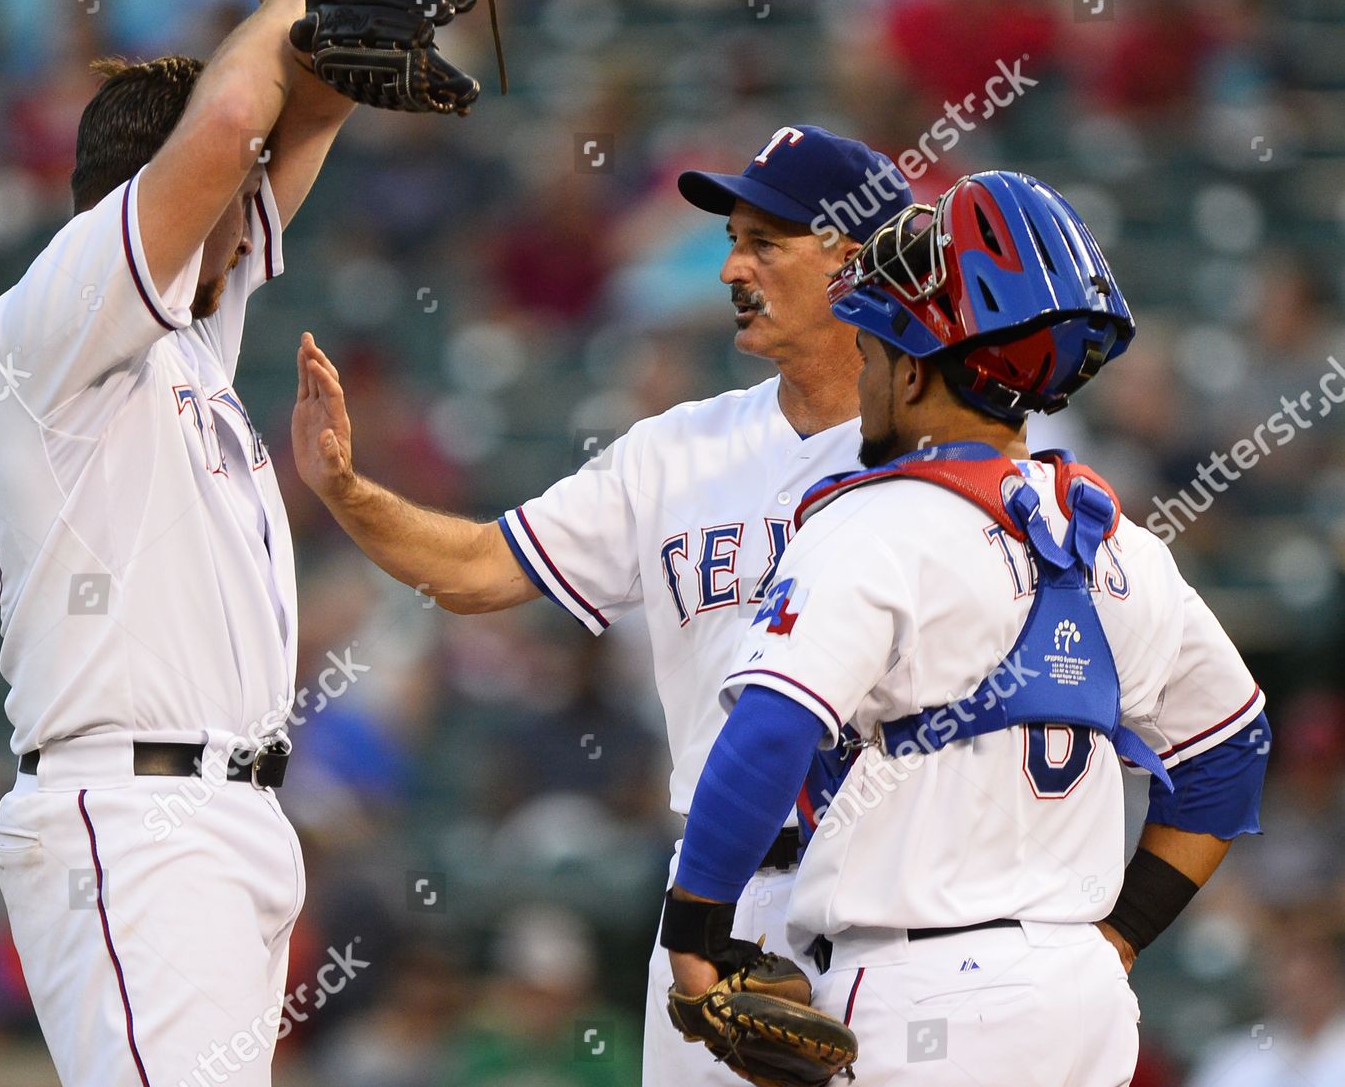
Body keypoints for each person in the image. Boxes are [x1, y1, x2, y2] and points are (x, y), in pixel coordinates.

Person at [291, 124, 913, 1082]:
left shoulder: (949, 460)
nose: (730, 269)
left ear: (856, 259)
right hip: (716, 897)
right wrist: (346, 489)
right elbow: (480, 569)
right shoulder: (677, 450)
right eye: (731, 240)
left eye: (764, 243)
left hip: (891, 891)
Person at [663, 172, 1269, 1085]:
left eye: (870, 352)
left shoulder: (876, 525)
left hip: (921, 992)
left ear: (911, 368)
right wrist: (1119, 936)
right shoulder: (1123, 548)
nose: (865, 376)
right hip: (1083, 1001)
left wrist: (695, 932)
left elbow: (772, 728)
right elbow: (1230, 755)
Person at [0, 0, 356, 1087]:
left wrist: (317, 2)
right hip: (133, 819)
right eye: (235, 195)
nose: (257, 221)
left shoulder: (180, 334)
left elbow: (293, 121)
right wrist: (274, 5)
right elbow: (236, 121)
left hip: (223, 821)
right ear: (172, 185)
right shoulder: (62, 312)